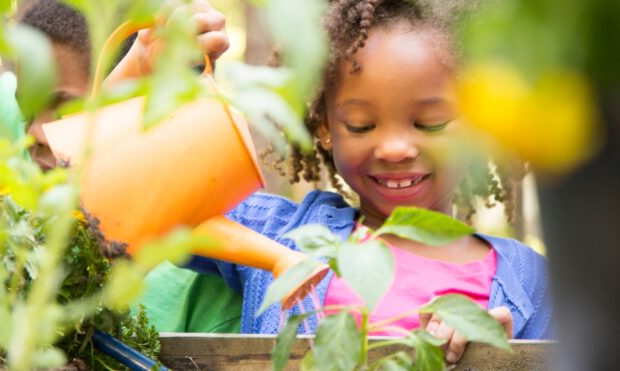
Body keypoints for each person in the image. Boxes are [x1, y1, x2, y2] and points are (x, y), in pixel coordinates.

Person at [187, 0, 553, 363]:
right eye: (361, 125)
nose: (395, 149)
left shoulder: (533, 284)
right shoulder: (278, 235)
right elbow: (164, 209)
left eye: (431, 123)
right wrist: (175, 74)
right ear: (325, 128)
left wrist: (499, 357)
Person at [0, 0, 243, 333]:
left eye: (66, 108)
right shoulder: (22, 153)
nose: (33, 134)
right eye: (27, 112)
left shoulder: (206, 282)